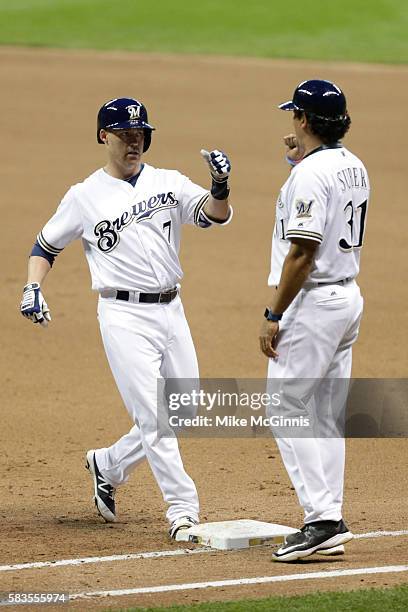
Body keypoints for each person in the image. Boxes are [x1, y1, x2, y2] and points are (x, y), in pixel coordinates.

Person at [20, 97, 232, 539]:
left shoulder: (168, 181)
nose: (134, 142)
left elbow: (215, 215)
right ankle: (182, 512)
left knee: (185, 410)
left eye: (140, 135)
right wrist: (33, 286)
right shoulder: (84, 196)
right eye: (125, 135)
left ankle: (109, 463)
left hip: (172, 310)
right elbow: (45, 246)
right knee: (155, 417)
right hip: (122, 316)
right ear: (104, 136)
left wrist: (220, 186)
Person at [259, 80, 369, 562]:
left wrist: (273, 313)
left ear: (303, 120)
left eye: (294, 116)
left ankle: (320, 519)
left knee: (285, 405)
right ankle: (331, 517)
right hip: (347, 300)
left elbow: (302, 252)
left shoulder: (311, 175)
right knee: (324, 415)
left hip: (314, 304)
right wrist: (300, 161)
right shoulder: (352, 165)